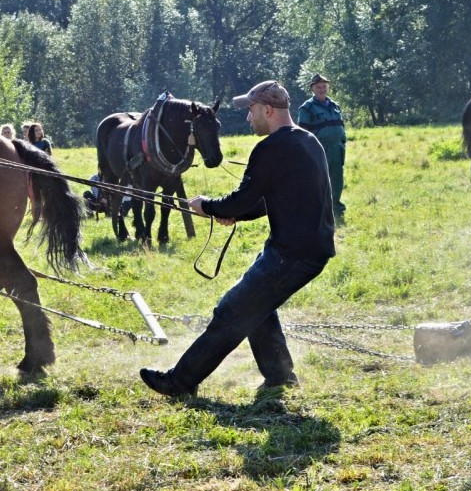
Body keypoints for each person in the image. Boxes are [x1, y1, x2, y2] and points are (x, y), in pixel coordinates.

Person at [140, 80, 336, 399]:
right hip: (308, 248)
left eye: (251, 110)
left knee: (232, 310)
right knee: (257, 304)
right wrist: (234, 212)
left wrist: (207, 207)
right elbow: (268, 198)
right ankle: (280, 375)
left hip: (293, 254)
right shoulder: (307, 141)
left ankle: (180, 382)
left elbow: (242, 199)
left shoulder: (270, 148)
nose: (248, 118)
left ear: (268, 110)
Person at [298, 74, 347, 226]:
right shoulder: (306, 108)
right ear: (312, 89)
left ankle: (336, 210)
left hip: (337, 149)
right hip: (319, 150)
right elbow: (303, 133)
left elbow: (341, 127)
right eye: (318, 86)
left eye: (324, 86)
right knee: (319, 182)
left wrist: (342, 143)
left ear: (328, 87)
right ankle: (319, 211)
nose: (322, 89)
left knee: (337, 180)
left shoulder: (334, 105)